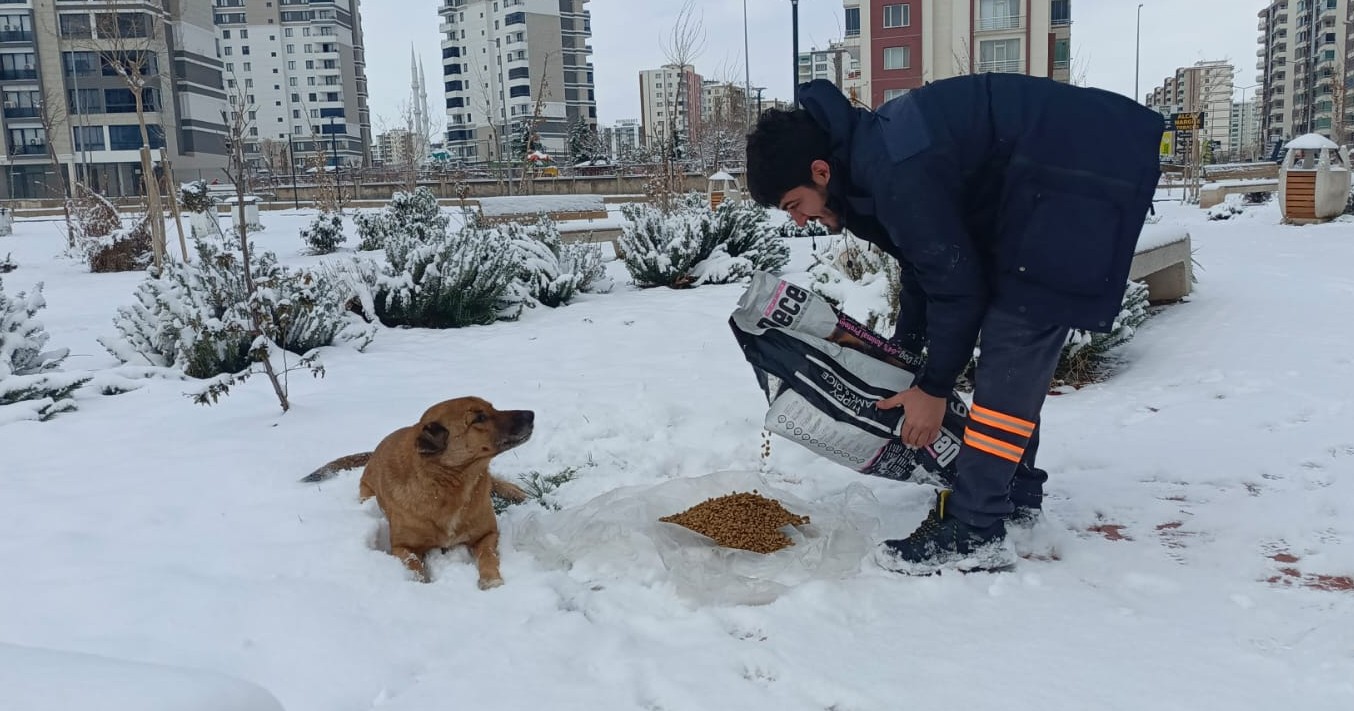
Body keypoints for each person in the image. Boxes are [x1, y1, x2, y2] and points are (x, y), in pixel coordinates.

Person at [744, 75, 1164, 575]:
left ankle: (977, 528)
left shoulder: (892, 169)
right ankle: (1012, 495)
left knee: (1014, 343)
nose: (798, 221)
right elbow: (926, 264)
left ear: (819, 171)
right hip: (1044, 184)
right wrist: (909, 358)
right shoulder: (861, 167)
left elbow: (957, 287)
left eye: (794, 205)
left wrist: (934, 387)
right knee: (1007, 356)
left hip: (1075, 181)